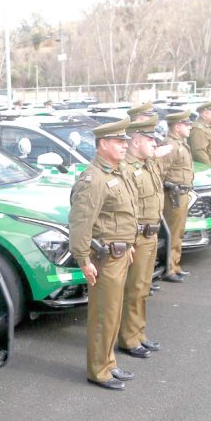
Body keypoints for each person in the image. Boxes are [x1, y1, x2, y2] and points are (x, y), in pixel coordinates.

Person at [68, 119, 138, 391]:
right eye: (119, 142)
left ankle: (108, 362)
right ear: (103, 144)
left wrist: (129, 244)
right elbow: (81, 223)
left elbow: (122, 215)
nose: (125, 146)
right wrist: (83, 259)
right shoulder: (93, 178)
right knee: (102, 316)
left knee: (113, 313)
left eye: (125, 142)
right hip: (104, 259)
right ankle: (98, 370)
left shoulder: (117, 172)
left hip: (120, 254)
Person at [117, 117, 163, 359]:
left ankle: (138, 333)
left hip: (151, 234)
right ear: (136, 142)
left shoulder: (147, 165)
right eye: (150, 139)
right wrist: (129, 241)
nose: (155, 143)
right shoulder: (126, 169)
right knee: (133, 289)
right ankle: (128, 338)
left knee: (143, 288)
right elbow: (125, 208)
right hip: (137, 236)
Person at [158, 110, 194, 283]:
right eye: (187, 125)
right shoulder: (170, 145)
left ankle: (175, 265)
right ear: (177, 126)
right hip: (172, 195)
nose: (190, 127)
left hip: (181, 193)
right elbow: (160, 172)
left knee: (178, 232)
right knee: (172, 232)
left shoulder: (180, 143)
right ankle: (168, 269)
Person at [188, 99, 211, 167]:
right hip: (210, 169)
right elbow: (199, 152)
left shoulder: (210, 126)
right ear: (205, 113)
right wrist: (208, 168)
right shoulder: (199, 129)